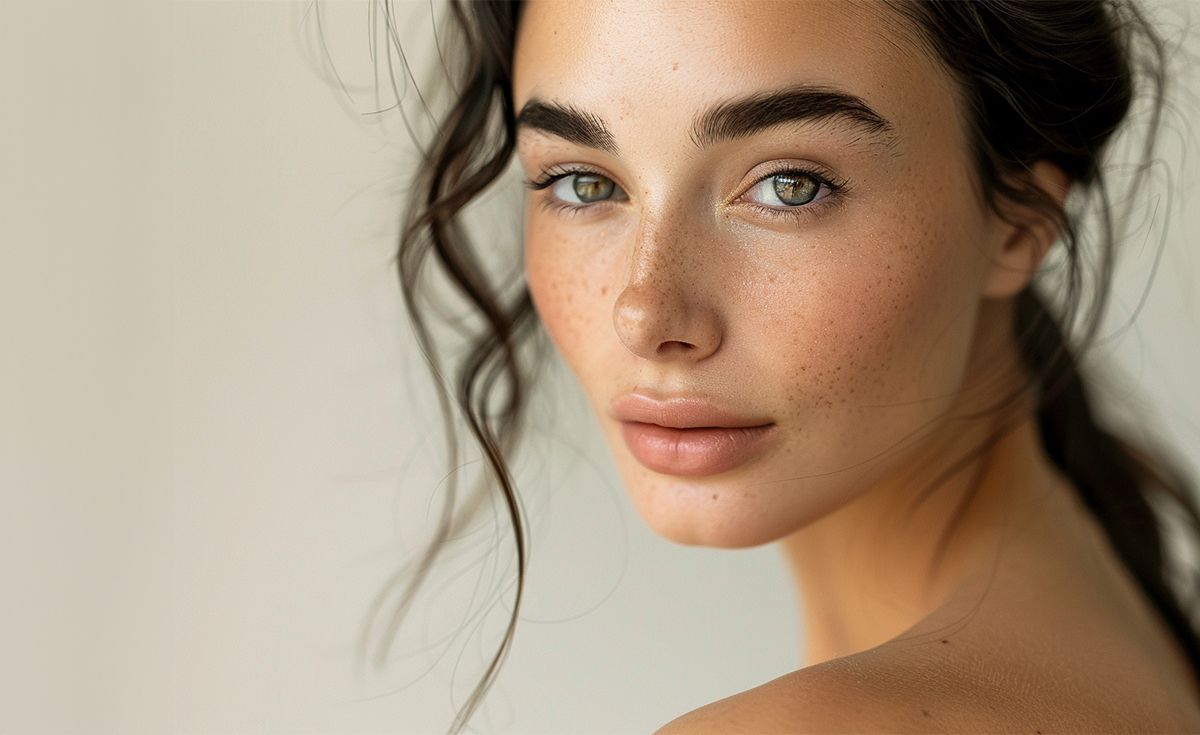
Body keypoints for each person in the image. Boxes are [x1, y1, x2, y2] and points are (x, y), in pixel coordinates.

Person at [372, 0, 1200, 731]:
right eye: (585, 183)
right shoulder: (1115, 623)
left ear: (1021, 220)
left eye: (790, 187)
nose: (648, 313)